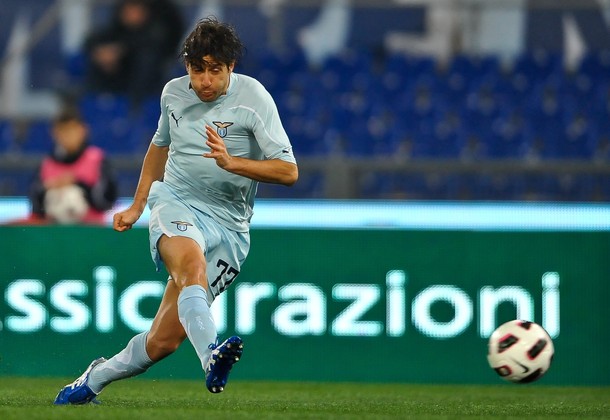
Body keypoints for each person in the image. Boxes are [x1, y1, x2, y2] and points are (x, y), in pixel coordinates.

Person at [54, 16, 298, 404]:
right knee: (191, 267)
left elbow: (288, 171)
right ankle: (211, 356)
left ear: (231, 67)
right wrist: (137, 205)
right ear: (187, 66)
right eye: (197, 70)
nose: (204, 81)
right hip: (177, 201)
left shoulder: (254, 99)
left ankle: (94, 378)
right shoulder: (173, 94)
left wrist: (234, 163)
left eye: (214, 70)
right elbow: (159, 147)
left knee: (163, 341)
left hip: (231, 227)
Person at [83, 0, 185, 105]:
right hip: (118, 71)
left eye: (135, 10)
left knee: (146, 60)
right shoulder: (116, 28)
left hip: (151, 73)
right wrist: (102, 52)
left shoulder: (162, 19)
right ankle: (99, 101)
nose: (131, 13)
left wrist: (119, 51)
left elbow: (158, 44)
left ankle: (136, 105)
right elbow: (92, 40)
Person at [28, 109, 118, 225]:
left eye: (72, 130)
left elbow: (106, 202)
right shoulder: (46, 164)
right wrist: (47, 189)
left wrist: (78, 184)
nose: (68, 136)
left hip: (91, 230)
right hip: (53, 231)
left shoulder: (97, 160)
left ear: (83, 130)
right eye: (63, 131)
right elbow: (35, 207)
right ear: (54, 133)